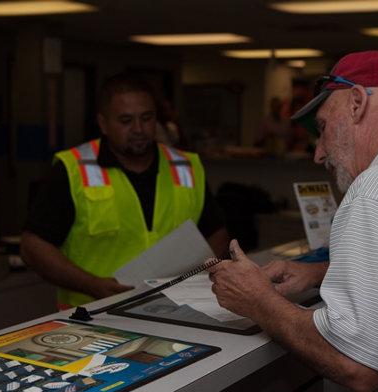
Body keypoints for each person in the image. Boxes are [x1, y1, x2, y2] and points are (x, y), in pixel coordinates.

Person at [207, 51, 378, 392]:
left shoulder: (377, 191)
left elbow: (355, 363)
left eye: (323, 127)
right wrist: (323, 271)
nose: (319, 152)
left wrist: (255, 298)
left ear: (356, 103)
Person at [21, 72, 229, 310]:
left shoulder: (184, 166)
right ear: (103, 124)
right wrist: (92, 284)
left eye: (147, 118)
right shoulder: (73, 169)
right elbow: (33, 247)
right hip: (91, 315)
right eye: (126, 120)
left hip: (175, 310)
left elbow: (216, 232)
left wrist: (202, 278)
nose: (139, 129)